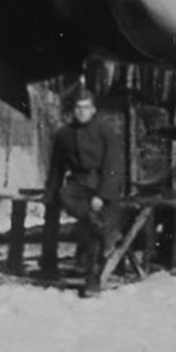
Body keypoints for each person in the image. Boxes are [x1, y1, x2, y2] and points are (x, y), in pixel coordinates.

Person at [46, 89, 125, 277]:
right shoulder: (64, 134)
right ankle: (105, 233)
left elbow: (114, 166)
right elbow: (57, 167)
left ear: (93, 110)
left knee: (99, 214)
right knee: (65, 196)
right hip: (78, 184)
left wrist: (102, 195)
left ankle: (93, 265)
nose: (82, 112)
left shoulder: (105, 131)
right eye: (78, 108)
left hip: (101, 182)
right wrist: (50, 193)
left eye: (86, 107)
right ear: (73, 110)